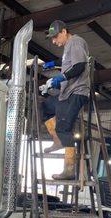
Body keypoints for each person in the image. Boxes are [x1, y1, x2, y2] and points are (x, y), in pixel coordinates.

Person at [39, 20, 90, 180]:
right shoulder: (68, 46)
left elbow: (80, 66)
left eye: (55, 37)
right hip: (66, 93)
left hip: (77, 92)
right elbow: (69, 64)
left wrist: (61, 77)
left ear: (64, 31)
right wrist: (54, 65)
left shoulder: (75, 42)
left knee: (64, 128)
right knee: (46, 107)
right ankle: (57, 141)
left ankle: (69, 169)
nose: (54, 41)